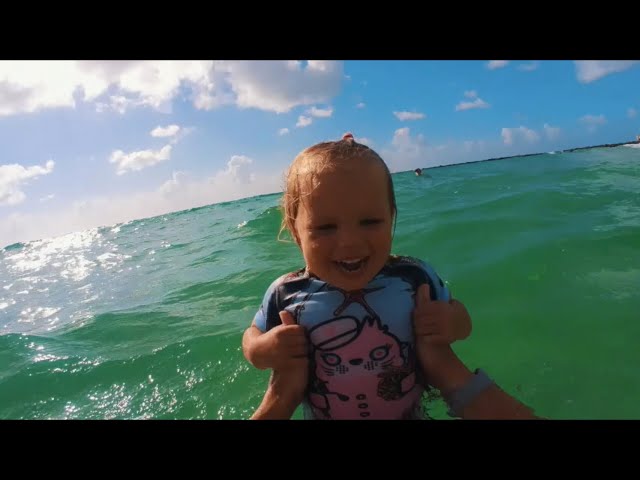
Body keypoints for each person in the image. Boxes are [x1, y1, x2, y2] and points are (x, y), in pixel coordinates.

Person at [242, 132, 474, 420]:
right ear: (295, 232)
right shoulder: (286, 293)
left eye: (370, 221)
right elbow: (251, 336)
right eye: (326, 227)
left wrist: (451, 323)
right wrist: (261, 351)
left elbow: (463, 320)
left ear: (391, 216)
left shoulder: (414, 277)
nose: (350, 242)